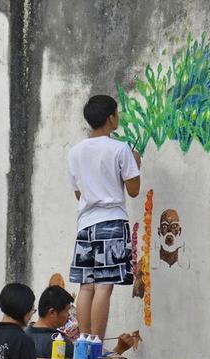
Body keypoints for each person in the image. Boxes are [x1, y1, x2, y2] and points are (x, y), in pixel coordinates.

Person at [67, 94, 141, 341]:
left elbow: (79, 193)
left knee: (86, 285)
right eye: (117, 113)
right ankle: (97, 340)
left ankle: (85, 341)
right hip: (112, 221)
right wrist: (136, 164)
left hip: (85, 224)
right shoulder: (120, 149)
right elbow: (133, 190)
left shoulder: (75, 152)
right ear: (110, 118)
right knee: (104, 285)